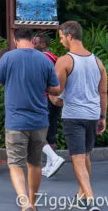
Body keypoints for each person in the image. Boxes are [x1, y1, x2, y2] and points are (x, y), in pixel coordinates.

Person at [0, 28, 60, 211]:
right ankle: (33, 202)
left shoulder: (8, 58)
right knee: (35, 163)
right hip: (39, 120)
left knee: (15, 164)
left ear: (15, 41)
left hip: (16, 121)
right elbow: (56, 89)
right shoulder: (44, 59)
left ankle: (24, 202)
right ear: (33, 40)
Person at [52, 21, 107, 211]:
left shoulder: (65, 60)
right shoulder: (97, 61)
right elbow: (103, 92)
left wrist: (52, 97)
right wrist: (103, 116)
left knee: (77, 158)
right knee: (85, 157)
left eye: (60, 37)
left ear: (69, 36)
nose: (60, 41)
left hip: (73, 114)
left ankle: (90, 200)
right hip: (92, 114)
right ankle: (80, 195)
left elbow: (57, 90)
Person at [33, 32, 66, 178]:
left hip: (44, 98)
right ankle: (49, 164)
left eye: (36, 42)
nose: (33, 44)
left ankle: (53, 160)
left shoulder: (41, 58)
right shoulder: (54, 57)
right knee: (50, 131)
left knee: (39, 131)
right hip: (55, 98)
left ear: (44, 44)